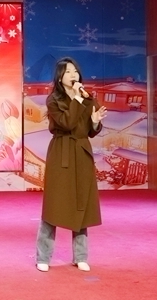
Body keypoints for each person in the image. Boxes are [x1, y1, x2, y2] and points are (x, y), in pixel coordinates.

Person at [36, 57, 107, 273]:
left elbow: (90, 131)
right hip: (61, 152)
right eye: (68, 72)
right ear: (60, 77)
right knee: (54, 205)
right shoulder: (53, 100)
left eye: (75, 71)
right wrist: (76, 99)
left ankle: (81, 256)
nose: (73, 75)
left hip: (81, 153)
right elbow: (66, 123)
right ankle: (43, 256)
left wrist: (95, 121)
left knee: (81, 203)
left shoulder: (87, 98)